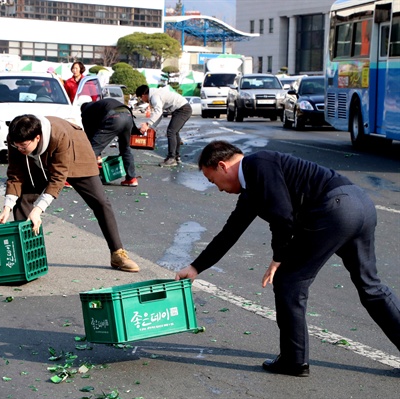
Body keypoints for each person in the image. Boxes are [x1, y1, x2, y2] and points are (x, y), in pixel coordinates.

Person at [175, 140, 400, 377]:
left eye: (213, 181)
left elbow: (282, 217)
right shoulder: (253, 184)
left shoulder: (258, 165)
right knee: (371, 286)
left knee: (289, 281)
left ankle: (293, 360)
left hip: (334, 209)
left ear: (222, 166)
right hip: (360, 204)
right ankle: (294, 358)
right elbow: (230, 232)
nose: (218, 188)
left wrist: (278, 257)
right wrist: (196, 267)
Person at [0, 114, 140, 273]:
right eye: (17, 146)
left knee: (100, 202)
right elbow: (15, 173)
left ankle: (117, 254)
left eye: (23, 146)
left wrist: (38, 210)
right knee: (22, 198)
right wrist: (7, 207)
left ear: (37, 137)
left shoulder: (60, 135)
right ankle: (26, 258)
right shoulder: (17, 138)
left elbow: (58, 178)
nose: (20, 149)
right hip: (41, 159)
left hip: (76, 155)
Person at [80, 98, 138, 187]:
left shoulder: (86, 112)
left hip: (114, 117)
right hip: (128, 116)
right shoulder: (98, 106)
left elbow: (90, 135)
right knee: (125, 148)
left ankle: (80, 178)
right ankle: (131, 179)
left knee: (91, 150)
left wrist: (97, 153)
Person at [135, 84, 192, 167]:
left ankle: (172, 158)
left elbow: (158, 112)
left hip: (183, 109)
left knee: (171, 132)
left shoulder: (154, 96)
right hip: (182, 108)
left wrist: (148, 124)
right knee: (174, 132)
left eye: (141, 98)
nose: (143, 100)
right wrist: (151, 126)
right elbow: (159, 115)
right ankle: (176, 157)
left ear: (143, 95)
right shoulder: (155, 94)